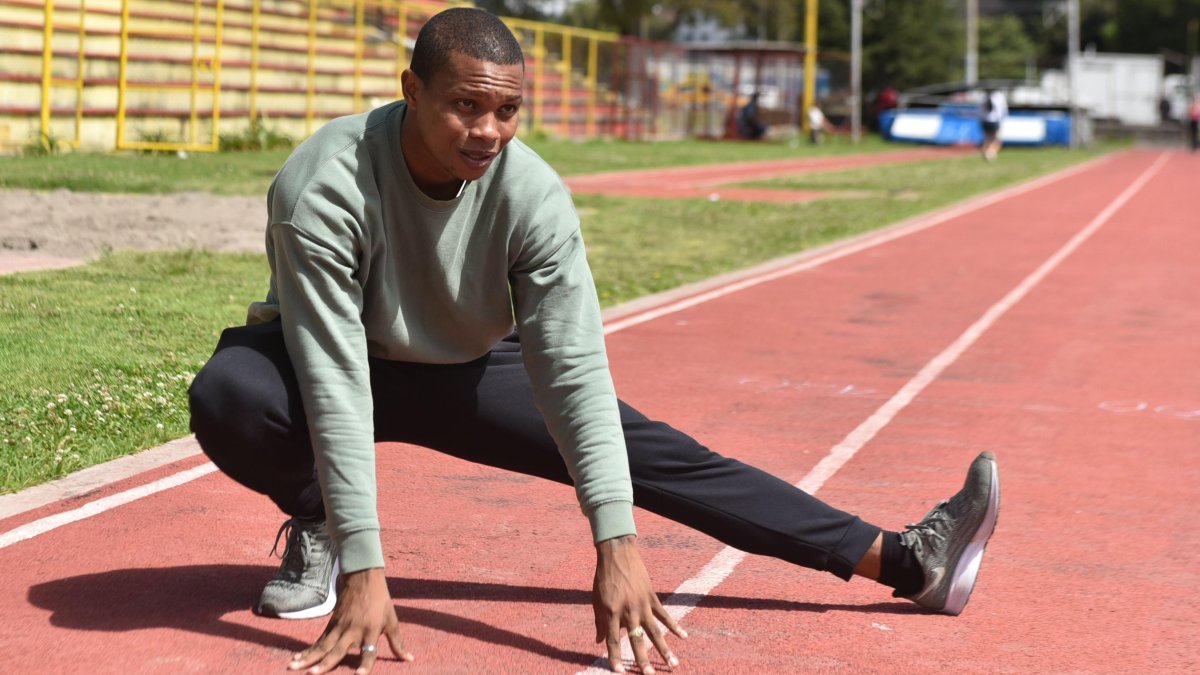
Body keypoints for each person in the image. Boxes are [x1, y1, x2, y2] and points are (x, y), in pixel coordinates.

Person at [188, 8, 1001, 675]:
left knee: (651, 453)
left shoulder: (532, 194)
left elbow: (571, 369)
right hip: (328, 358)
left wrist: (617, 540)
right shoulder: (324, 184)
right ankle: (319, 521)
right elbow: (333, 376)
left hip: (465, 365)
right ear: (411, 90)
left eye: (507, 110)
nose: (487, 131)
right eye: (465, 105)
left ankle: (905, 559)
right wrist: (367, 565)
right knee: (232, 396)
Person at [979, 87, 1008, 161]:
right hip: (995, 120)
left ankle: (986, 151)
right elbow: (1004, 110)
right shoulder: (1000, 96)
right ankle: (990, 153)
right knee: (995, 139)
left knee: (987, 138)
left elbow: (979, 110)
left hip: (984, 120)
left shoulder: (983, 96)